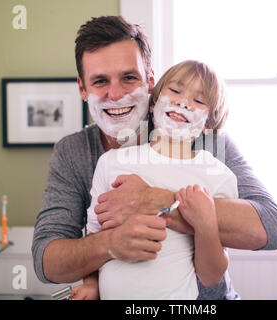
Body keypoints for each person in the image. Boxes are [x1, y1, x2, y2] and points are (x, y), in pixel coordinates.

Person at [32, 16, 277, 300]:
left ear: (150, 81)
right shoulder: (75, 152)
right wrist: (109, 245)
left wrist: (158, 201)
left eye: (129, 77)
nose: (115, 95)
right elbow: (46, 259)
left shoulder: (207, 141)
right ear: (83, 89)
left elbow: (269, 228)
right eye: (100, 81)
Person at [73, 60, 237, 300]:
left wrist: (206, 224)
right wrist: (90, 284)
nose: (183, 102)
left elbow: (210, 277)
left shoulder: (218, 177)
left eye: (199, 101)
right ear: (153, 103)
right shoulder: (111, 163)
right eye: (175, 90)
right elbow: (94, 236)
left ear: (209, 123)